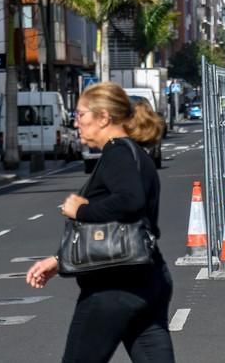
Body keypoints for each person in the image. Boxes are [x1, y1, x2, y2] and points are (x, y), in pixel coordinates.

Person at [25, 82, 175, 363]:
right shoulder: (135, 154)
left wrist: (80, 210)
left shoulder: (117, 151)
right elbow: (114, 229)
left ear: (104, 117)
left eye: (81, 115)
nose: (76, 122)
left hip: (113, 285)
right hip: (148, 278)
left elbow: (130, 201)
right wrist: (59, 260)